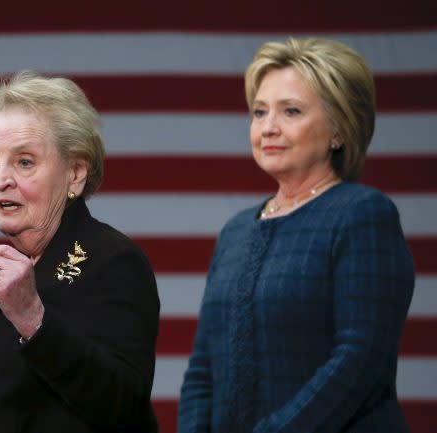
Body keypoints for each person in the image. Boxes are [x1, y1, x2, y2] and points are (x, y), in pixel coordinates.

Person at [178, 38, 415, 433]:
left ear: (339, 129)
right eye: (259, 112)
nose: (268, 127)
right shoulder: (236, 231)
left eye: (291, 111)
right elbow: (205, 366)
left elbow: (360, 359)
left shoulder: (362, 214)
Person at [0, 71, 160, 433]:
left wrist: (34, 322)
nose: (0, 179)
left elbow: (122, 404)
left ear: (75, 173)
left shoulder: (113, 260)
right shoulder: (17, 267)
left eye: (24, 162)